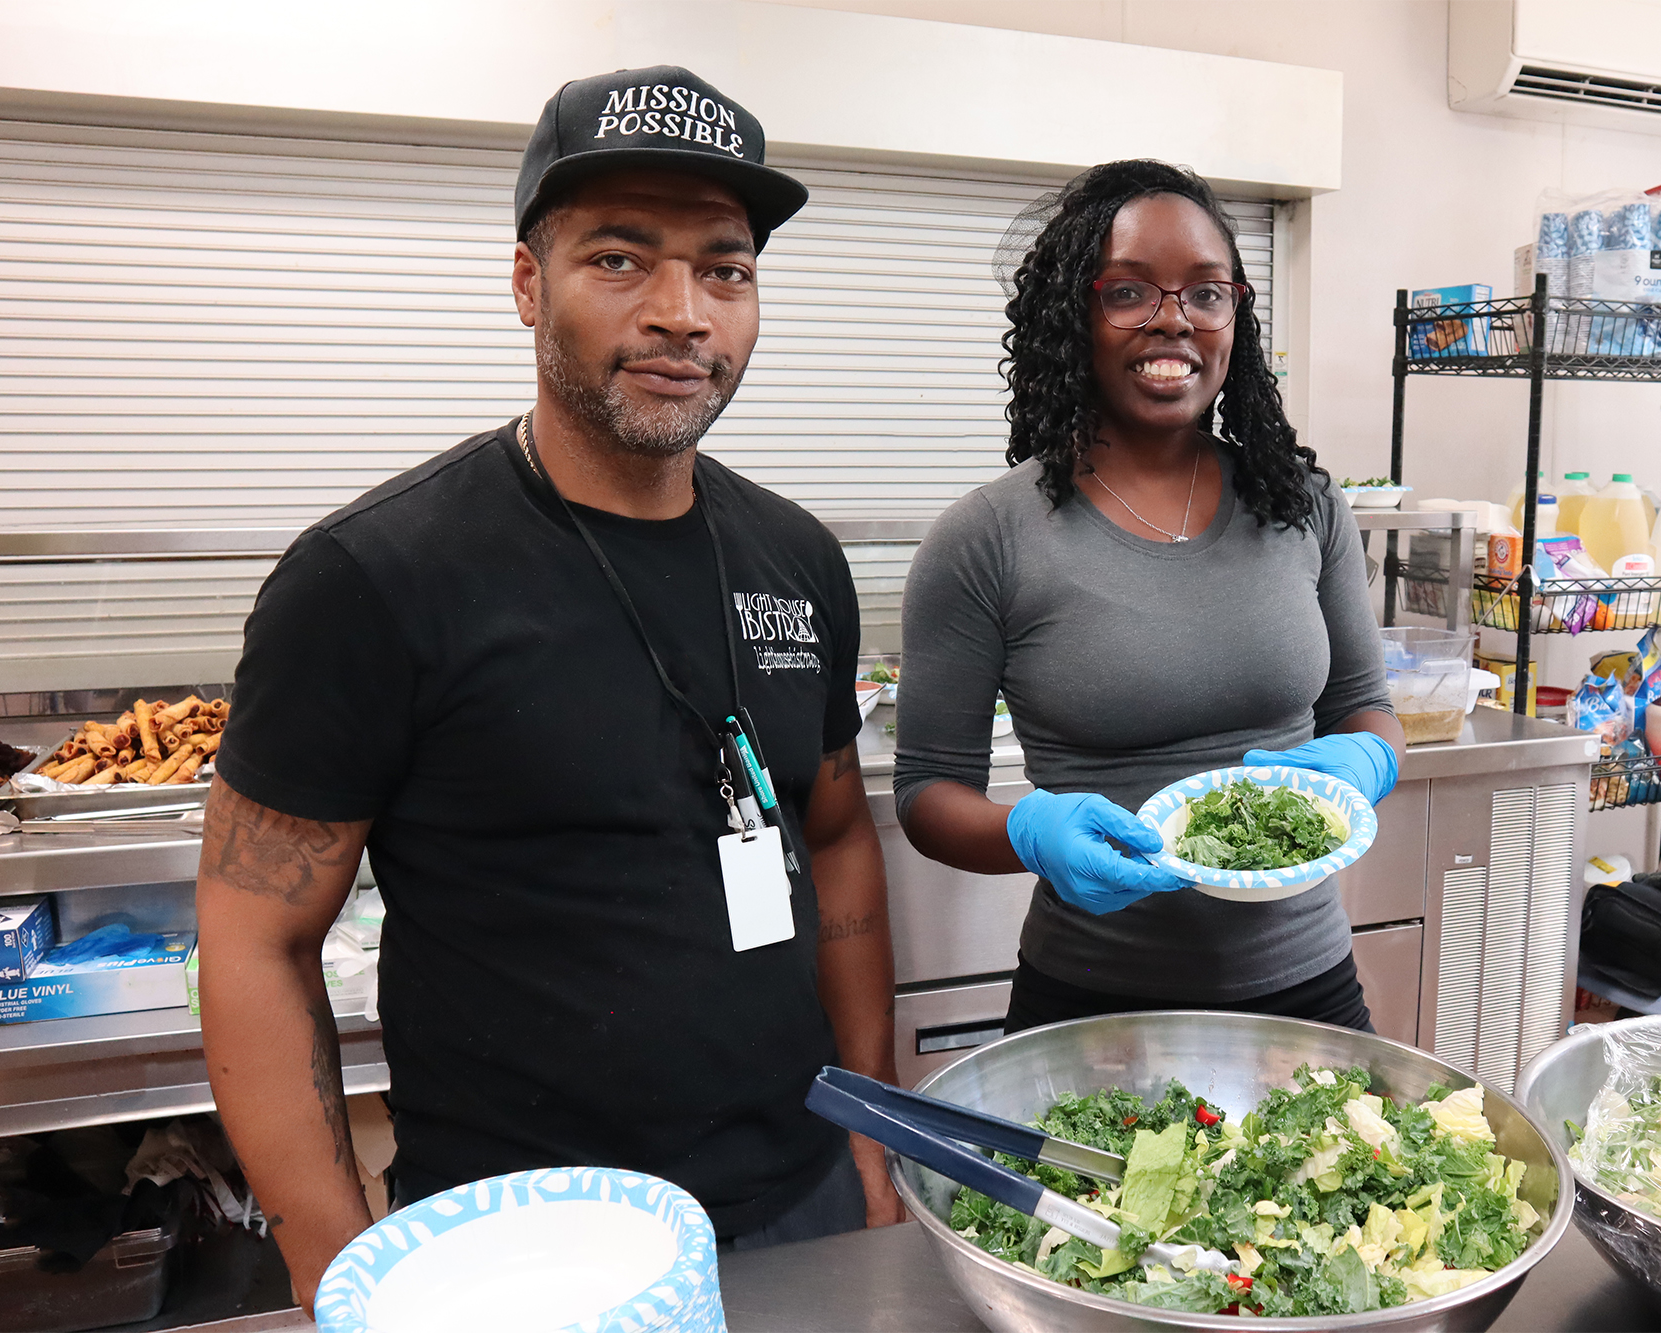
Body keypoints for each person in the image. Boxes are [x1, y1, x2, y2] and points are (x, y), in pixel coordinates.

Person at [198, 66, 901, 1309]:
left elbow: (836, 833)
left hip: (802, 1200)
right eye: (620, 259)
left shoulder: (799, 557)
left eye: (724, 269)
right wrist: (334, 1261)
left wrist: (865, 1118)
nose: (683, 312)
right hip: (518, 1239)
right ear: (529, 282)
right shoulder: (372, 579)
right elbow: (256, 936)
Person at [893, 160, 1404, 1034]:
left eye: (1207, 294)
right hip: (1091, 1006)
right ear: (1073, 316)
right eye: (1129, 292)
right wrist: (1025, 832)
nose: (1174, 320)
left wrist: (1370, 762)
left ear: (1235, 315)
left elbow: (1364, 705)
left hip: (1308, 989)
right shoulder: (985, 538)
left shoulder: (1301, 504)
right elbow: (928, 792)